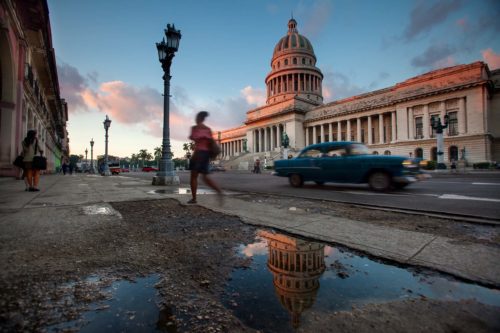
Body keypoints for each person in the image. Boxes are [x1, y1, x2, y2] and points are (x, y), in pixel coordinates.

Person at [188, 111, 223, 204]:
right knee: (205, 177)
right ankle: (218, 190)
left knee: (193, 177)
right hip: (206, 154)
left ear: (198, 119)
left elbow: (192, 137)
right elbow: (211, 142)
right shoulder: (208, 129)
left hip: (198, 153)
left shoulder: (195, 128)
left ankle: (194, 198)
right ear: (204, 119)